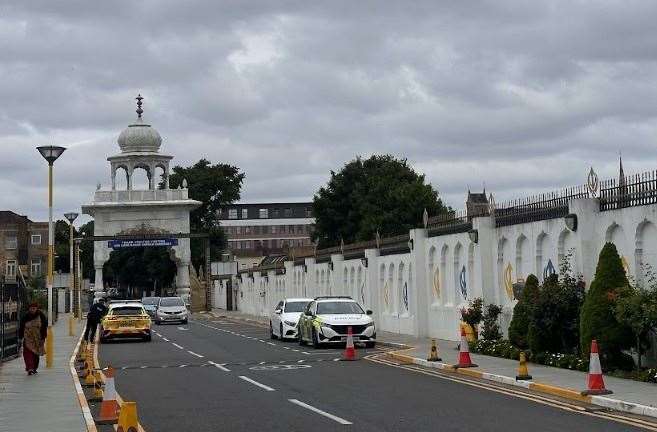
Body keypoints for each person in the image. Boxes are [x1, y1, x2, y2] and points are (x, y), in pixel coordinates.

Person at [18, 303, 48, 375]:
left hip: (37, 338)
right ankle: (29, 368)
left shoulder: (41, 315)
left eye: (34, 308)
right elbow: (21, 327)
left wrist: (43, 337)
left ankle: (34, 368)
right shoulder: (25, 316)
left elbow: (44, 327)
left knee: (35, 353)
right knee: (27, 352)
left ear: (37, 308)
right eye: (31, 308)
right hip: (28, 337)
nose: (32, 310)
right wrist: (20, 336)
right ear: (29, 309)